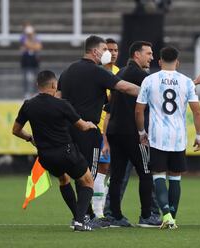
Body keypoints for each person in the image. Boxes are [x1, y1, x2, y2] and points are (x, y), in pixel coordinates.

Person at [57, 35, 140, 227]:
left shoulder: (68, 71)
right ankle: (85, 217)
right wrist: (150, 90)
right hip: (88, 130)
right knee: (89, 175)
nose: (108, 54)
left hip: (69, 129)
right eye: (105, 50)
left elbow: (58, 99)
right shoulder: (97, 72)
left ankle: (83, 215)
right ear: (95, 52)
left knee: (78, 173)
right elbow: (125, 87)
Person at [12, 70, 96, 231]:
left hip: (45, 156)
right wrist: (90, 124)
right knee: (87, 181)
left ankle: (77, 218)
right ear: (54, 85)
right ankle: (80, 220)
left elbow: (16, 130)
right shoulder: (62, 104)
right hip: (66, 152)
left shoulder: (28, 105)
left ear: (38, 85)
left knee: (64, 179)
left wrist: (30, 139)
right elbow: (82, 126)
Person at [135, 46, 200, 229]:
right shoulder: (187, 81)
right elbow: (197, 111)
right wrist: (199, 135)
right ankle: (171, 215)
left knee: (158, 175)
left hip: (157, 135)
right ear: (178, 62)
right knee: (175, 177)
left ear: (159, 61)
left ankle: (166, 215)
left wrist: (141, 133)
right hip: (178, 136)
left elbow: (139, 110)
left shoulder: (150, 80)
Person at [106, 41, 160, 227]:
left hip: (115, 130)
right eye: (149, 53)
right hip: (133, 133)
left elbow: (110, 103)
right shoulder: (140, 75)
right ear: (137, 55)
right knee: (146, 172)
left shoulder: (120, 72)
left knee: (117, 175)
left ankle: (115, 216)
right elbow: (161, 92)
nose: (152, 57)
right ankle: (147, 216)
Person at [92, 38, 120, 219]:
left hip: (116, 128)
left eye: (116, 50)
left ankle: (101, 207)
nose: (113, 53)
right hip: (99, 127)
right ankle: (98, 211)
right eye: (109, 49)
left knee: (112, 170)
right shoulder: (96, 73)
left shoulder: (119, 72)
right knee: (101, 169)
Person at [20, 22, 42, 98]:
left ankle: (35, 92)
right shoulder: (23, 37)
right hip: (26, 58)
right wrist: (33, 45)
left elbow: (38, 47)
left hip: (34, 58)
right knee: (25, 76)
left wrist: (30, 46)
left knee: (36, 76)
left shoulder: (36, 38)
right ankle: (26, 92)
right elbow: (27, 44)